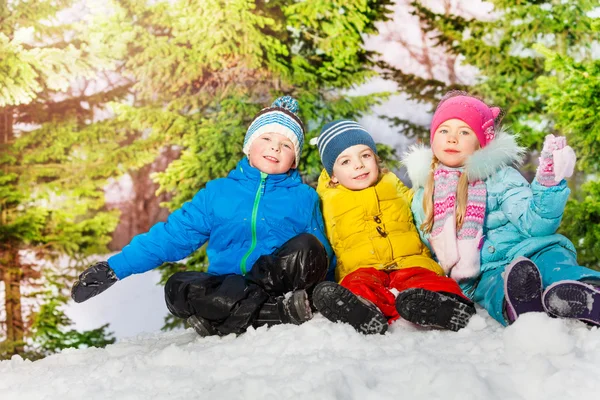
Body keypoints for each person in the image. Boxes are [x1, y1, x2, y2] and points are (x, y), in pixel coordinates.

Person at [71, 96, 333, 336]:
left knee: (308, 248)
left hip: (276, 286)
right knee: (177, 287)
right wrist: (116, 268)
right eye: (266, 139)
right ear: (249, 146)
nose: (275, 148)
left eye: (286, 145)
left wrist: (331, 295)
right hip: (229, 288)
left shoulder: (303, 197)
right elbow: (174, 235)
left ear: (294, 160)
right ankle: (271, 314)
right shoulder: (218, 193)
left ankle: (227, 319)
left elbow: (324, 253)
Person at [404, 91, 600, 326]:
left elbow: (536, 225)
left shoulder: (502, 177)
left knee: (554, 262)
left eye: (464, 132)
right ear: (433, 138)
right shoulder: (425, 195)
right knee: (497, 286)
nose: (452, 139)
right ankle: (518, 304)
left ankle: (585, 293)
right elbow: (433, 249)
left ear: (481, 142)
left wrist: (547, 185)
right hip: (485, 271)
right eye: (444, 130)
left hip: (533, 249)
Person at [309, 120, 476, 335]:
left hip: (411, 261)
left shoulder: (392, 184)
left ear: (376, 159)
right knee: (357, 286)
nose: (359, 164)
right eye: (345, 161)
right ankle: (362, 311)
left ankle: (448, 306)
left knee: (430, 281)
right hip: (363, 267)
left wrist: (441, 191)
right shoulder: (326, 200)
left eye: (365, 155)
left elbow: (422, 205)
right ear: (332, 174)